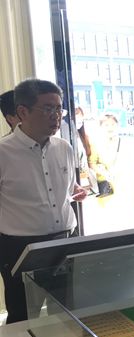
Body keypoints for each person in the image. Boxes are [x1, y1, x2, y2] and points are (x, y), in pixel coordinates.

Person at [0, 79, 87, 323]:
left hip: (65, 241)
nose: (56, 116)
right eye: (48, 108)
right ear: (22, 112)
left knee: (67, 315)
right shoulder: (3, 152)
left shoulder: (64, 147)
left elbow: (66, 190)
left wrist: (75, 192)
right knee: (24, 318)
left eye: (59, 109)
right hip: (20, 248)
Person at [89, 114, 121, 197]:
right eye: (106, 125)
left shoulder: (122, 141)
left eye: (113, 124)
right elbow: (91, 163)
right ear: (101, 127)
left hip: (122, 183)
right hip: (105, 186)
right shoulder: (96, 143)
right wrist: (105, 173)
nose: (110, 127)